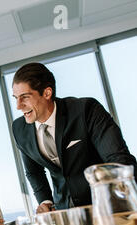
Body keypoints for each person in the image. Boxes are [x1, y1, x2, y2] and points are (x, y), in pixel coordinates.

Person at [11, 62, 137, 213]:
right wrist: (46, 201)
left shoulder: (86, 110)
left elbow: (118, 159)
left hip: (109, 206)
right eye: (16, 98)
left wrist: (118, 200)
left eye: (24, 97)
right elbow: (34, 172)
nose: (18, 106)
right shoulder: (19, 129)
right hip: (66, 212)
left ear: (47, 93)